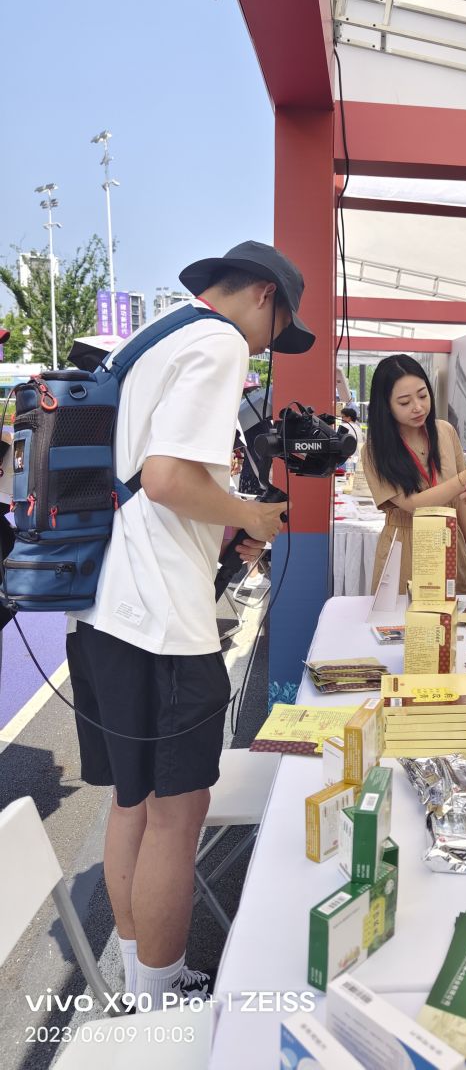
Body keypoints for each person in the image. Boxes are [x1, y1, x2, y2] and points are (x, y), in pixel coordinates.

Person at [66, 240, 313, 1009]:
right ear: (264, 295)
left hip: (104, 607)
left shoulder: (154, 338)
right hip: (163, 622)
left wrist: (224, 523)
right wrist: (251, 517)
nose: (268, 348)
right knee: (178, 815)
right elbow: (169, 479)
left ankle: (139, 980)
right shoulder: (218, 341)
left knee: (133, 803)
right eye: (279, 329)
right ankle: (162, 993)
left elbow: (151, 479)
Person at [362, 355, 466, 592]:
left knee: (453, 611)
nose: (418, 407)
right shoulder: (375, 450)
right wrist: (465, 478)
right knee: (405, 611)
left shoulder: (444, 431)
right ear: (386, 406)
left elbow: (458, 498)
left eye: (423, 395)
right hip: (406, 543)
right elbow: (413, 504)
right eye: (404, 402)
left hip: (449, 540)